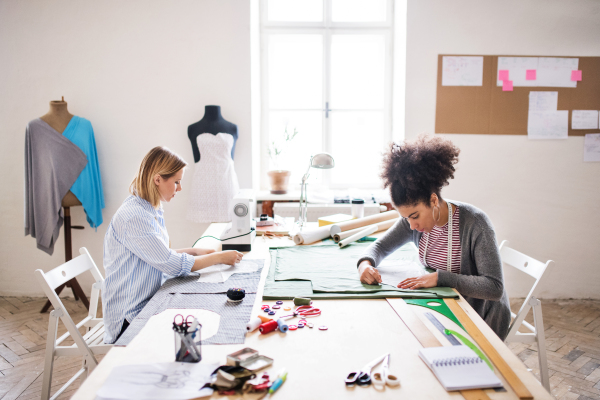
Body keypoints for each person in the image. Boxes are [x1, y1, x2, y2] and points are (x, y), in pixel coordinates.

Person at [357, 135, 510, 339]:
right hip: (445, 307)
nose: (412, 225)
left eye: (415, 216)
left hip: (480, 318)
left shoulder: (475, 224)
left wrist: (440, 279)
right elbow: (379, 248)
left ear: (433, 200)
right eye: (405, 218)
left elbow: (494, 288)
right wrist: (365, 265)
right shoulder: (411, 222)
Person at [102, 146, 243, 343]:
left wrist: (194, 251)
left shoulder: (150, 208)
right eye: (176, 182)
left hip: (147, 298)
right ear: (158, 179)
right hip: (130, 316)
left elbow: (158, 254)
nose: (179, 188)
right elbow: (171, 264)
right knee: (196, 322)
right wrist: (217, 258)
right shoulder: (135, 217)